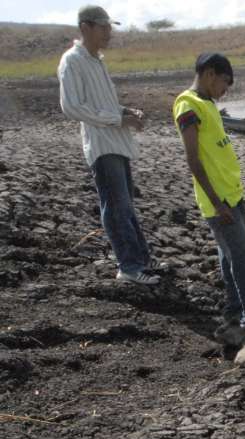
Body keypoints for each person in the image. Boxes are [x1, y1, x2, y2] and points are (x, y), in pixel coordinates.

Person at [172, 53, 245, 337]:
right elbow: (193, 159)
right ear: (209, 74)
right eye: (224, 83)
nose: (225, 91)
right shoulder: (188, 105)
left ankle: (235, 311)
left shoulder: (207, 102)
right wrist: (215, 201)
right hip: (220, 201)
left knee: (231, 258)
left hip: (232, 195)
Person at [58, 5, 160, 286]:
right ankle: (129, 267)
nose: (108, 33)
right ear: (85, 28)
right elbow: (71, 107)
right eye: (103, 27)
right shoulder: (72, 60)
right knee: (116, 207)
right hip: (102, 145)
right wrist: (118, 119)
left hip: (116, 142)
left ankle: (141, 260)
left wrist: (127, 112)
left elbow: (103, 103)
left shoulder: (96, 61)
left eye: (109, 27)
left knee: (125, 206)